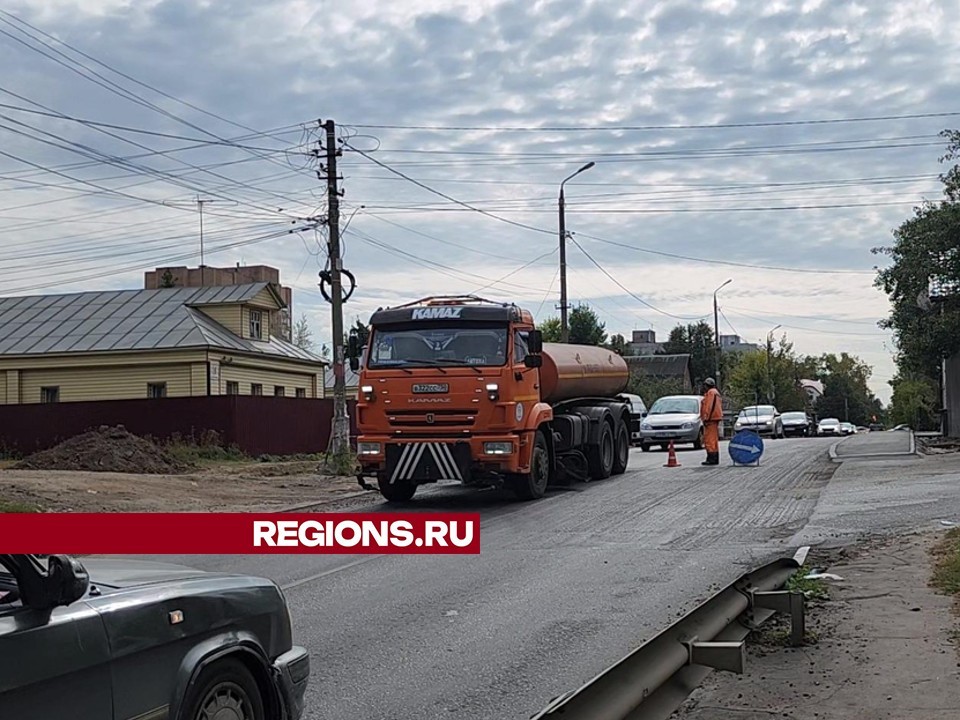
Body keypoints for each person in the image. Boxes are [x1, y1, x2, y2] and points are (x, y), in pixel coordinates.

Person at [699, 377, 723, 466]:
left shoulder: (711, 393)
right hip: (713, 418)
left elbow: (709, 406)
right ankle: (714, 458)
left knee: (710, 440)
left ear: (707, 385)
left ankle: (711, 458)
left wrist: (706, 418)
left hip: (711, 419)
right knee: (713, 440)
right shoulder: (715, 392)